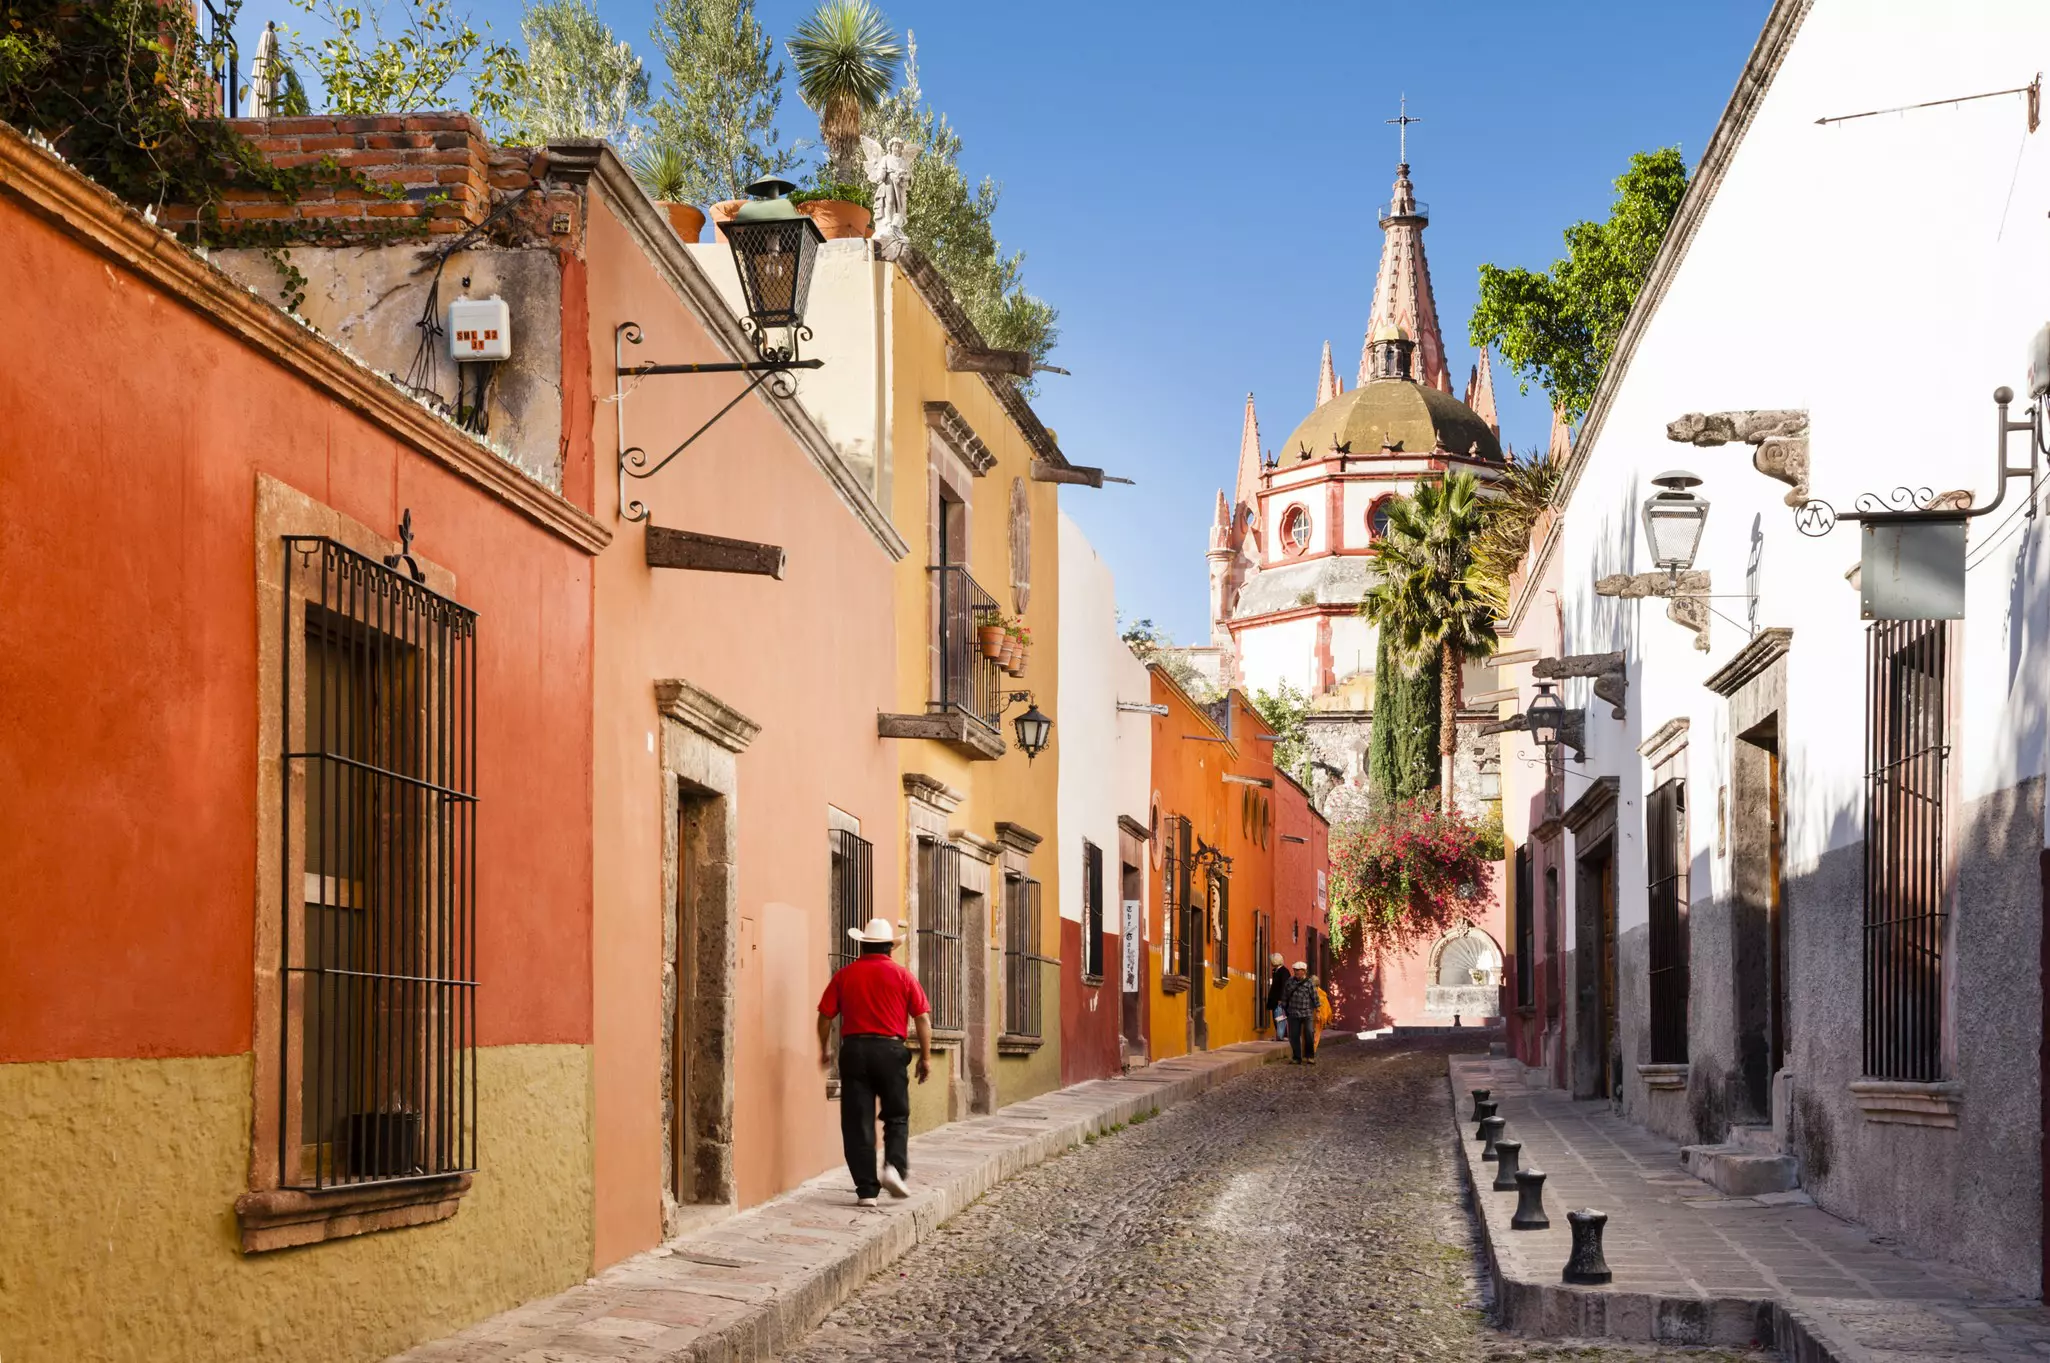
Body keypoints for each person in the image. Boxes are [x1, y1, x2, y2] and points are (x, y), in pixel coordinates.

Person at [818, 916, 933, 1206]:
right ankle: (893, 1167)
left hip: (854, 1051)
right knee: (896, 1115)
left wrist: (824, 1049)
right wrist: (926, 1057)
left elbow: (825, 1016)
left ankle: (867, 1191)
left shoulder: (844, 975)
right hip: (890, 1051)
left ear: (863, 948)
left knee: (857, 1122)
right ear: (890, 949)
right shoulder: (904, 976)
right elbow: (922, 1019)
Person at [1282, 960, 1320, 1064]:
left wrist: (1317, 1011)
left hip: (1307, 1013)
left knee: (1309, 1034)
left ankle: (1310, 1056)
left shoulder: (1309, 983)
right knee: (1294, 1036)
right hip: (1293, 1013)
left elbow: (1315, 998)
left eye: (1299, 970)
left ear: (1304, 971)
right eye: (1295, 970)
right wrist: (1284, 1008)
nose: (1297, 972)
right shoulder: (1289, 982)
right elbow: (1285, 995)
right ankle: (1296, 1057)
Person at [1265, 952, 1291, 1042]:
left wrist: (1281, 998)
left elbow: (1285, 986)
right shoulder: (1276, 971)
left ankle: (1282, 1036)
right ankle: (1279, 1035)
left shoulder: (1284, 971)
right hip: (1275, 999)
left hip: (1280, 1000)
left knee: (1280, 1017)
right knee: (1277, 1017)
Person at [1311, 973, 1333, 1049]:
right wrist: (1328, 1020)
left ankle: (1308, 1053)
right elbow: (1328, 1009)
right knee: (1316, 1036)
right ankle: (1311, 1052)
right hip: (1319, 1018)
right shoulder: (1322, 995)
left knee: (1309, 1035)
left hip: (1309, 1016)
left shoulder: (1309, 993)